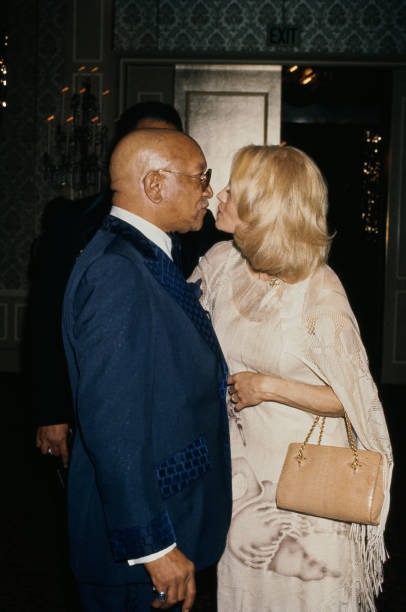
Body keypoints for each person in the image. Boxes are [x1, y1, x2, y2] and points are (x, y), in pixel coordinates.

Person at [189, 145, 393, 611]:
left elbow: (356, 399)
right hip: (242, 471)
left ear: (266, 208)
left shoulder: (318, 289)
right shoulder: (221, 263)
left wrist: (269, 386)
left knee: (303, 593)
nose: (219, 194)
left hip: (305, 476)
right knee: (248, 588)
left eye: (234, 190)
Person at [61, 128, 231, 611]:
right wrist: (153, 546)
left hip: (171, 513)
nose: (210, 192)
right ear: (156, 185)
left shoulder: (143, 253)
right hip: (143, 544)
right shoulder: (118, 271)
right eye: (201, 178)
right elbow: (112, 423)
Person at [32, 101, 228, 467]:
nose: (209, 191)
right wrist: (51, 411)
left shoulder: (198, 228)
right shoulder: (87, 234)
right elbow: (46, 319)